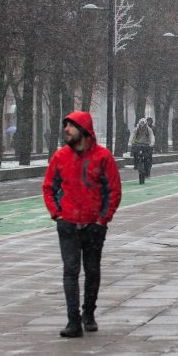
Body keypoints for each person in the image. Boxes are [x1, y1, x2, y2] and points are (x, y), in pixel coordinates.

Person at [42, 111, 122, 338]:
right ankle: (73, 320)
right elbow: (49, 187)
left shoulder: (102, 157)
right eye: (65, 125)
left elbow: (113, 190)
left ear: (84, 130)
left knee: (92, 270)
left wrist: (102, 219)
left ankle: (89, 313)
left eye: (71, 126)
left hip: (93, 225)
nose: (66, 130)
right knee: (70, 271)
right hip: (67, 224)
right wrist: (57, 213)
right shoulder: (60, 157)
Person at [129, 117, 155, 184]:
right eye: (141, 126)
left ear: (146, 125)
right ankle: (135, 164)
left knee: (148, 158)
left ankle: (147, 170)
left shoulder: (149, 130)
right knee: (135, 153)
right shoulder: (136, 129)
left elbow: (152, 137)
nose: (142, 128)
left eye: (143, 126)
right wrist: (131, 141)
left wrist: (152, 143)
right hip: (138, 144)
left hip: (146, 145)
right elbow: (132, 135)